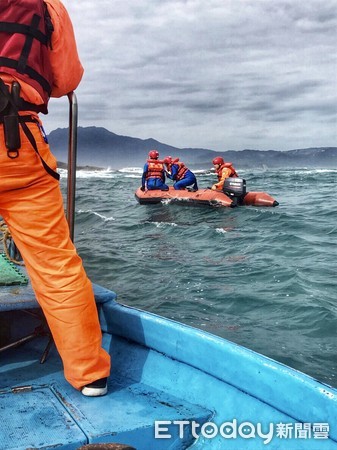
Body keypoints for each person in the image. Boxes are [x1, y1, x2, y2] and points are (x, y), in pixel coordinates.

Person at [0, 0, 110, 396]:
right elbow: (67, 80)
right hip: (19, 145)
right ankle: (89, 374)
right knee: (56, 266)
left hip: (18, 144)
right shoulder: (47, 7)